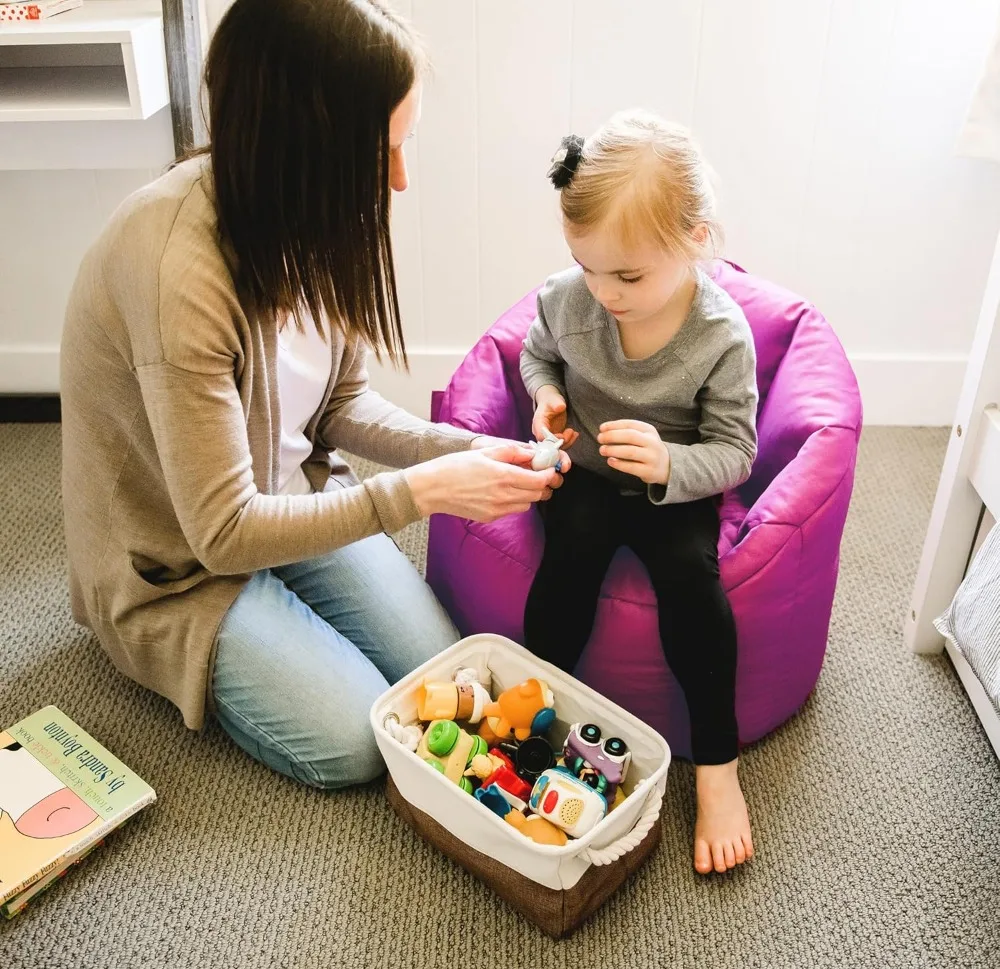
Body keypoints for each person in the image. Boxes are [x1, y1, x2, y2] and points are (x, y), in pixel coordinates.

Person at [59, 0, 566, 791]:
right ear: (305, 142)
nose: (400, 179)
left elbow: (342, 407)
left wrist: (460, 451)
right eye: (383, 152)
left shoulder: (320, 217)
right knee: (363, 741)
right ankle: (155, 642)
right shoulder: (176, 273)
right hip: (179, 566)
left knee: (436, 670)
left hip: (288, 504)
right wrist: (423, 493)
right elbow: (222, 533)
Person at [520, 112, 758, 874]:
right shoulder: (568, 300)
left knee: (693, 582)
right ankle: (534, 722)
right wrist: (545, 397)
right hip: (586, 473)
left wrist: (668, 465)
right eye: (587, 267)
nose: (604, 293)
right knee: (567, 563)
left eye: (627, 276)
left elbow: (736, 452)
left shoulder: (721, 337)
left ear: (697, 240)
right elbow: (535, 354)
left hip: (673, 490)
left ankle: (717, 766)